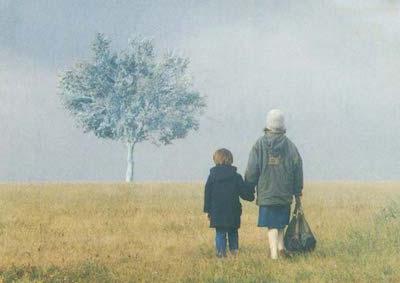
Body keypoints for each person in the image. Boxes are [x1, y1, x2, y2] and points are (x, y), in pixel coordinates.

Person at [245, 109, 303, 260]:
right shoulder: (291, 146)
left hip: (266, 192)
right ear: (282, 124)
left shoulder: (259, 144)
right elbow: (298, 169)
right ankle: (281, 248)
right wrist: (297, 191)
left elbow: (252, 168)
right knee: (281, 222)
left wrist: (249, 186)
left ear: (268, 124)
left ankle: (274, 255)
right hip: (285, 192)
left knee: (271, 224)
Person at [204, 148, 255, 258]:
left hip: (217, 211)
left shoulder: (212, 176)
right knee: (233, 232)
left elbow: (207, 194)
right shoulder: (236, 176)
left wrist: (208, 211)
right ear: (230, 159)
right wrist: (251, 192)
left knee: (220, 233)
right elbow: (245, 194)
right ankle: (234, 254)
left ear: (216, 160)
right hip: (233, 211)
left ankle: (220, 255)